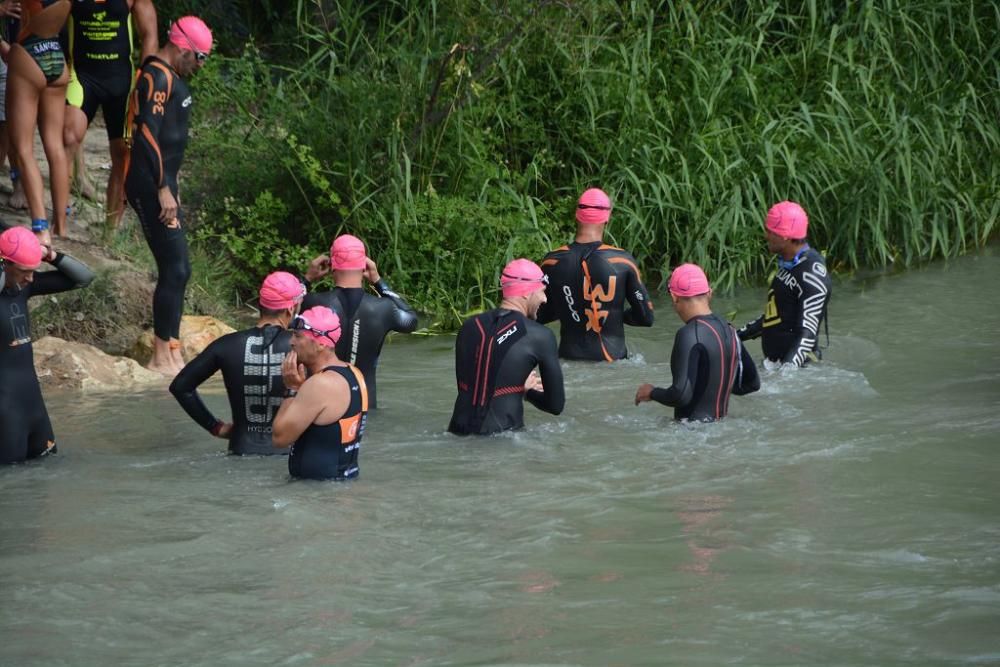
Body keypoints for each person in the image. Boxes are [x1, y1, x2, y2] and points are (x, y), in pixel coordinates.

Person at [124, 15, 211, 376]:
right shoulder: (158, 76)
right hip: (149, 184)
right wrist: (162, 187)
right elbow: (146, 134)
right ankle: (161, 356)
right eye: (199, 57)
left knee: (179, 269)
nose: (200, 66)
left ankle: (172, 350)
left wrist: (170, 185)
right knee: (175, 268)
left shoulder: (168, 76)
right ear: (182, 48)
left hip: (162, 183)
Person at [169, 272, 305, 456]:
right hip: (288, 456)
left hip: (241, 450)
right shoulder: (304, 347)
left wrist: (215, 426)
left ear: (261, 304)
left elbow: (181, 386)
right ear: (291, 309)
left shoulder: (226, 344)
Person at [0, 225, 94, 464]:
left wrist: (49, 255)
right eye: (24, 271)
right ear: (5, 264)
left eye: (33, 271)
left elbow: (84, 278)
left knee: (46, 469)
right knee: (12, 481)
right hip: (5, 411)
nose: (30, 278)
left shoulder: (24, 287)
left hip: (33, 406)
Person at [63, 0, 157, 227]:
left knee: (123, 152)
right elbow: (48, 21)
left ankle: (111, 229)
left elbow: (150, 34)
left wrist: (146, 82)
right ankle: (60, 219)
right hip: (83, 76)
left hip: (120, 82)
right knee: (68, 138)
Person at [448, 258, 565, 435]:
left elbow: (475, 390)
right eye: (542, 291)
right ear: (527, 292)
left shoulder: (469, 327)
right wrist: (525, 390)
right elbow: (555, 405)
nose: (545, 298)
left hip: (456, 433)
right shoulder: (539, 335)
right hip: (502, 440)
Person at [301, 233, 418, 408]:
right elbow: (411, 320)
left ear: (332, 265)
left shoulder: (312, 303)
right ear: (364, 266)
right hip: (364, 405)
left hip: (320, 404)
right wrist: (379, 282)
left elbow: (281, 309)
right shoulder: (382, 308)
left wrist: (307, 278)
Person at [537, 187, 654, 361]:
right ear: (607, 218)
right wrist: (615, 315)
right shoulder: (622, 261)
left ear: (577, 215)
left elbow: (537, 315)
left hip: (567, 360)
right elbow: (646, 317)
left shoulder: (551, 262)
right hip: (613, 363)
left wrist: (567, 309)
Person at [635, 263, 759, 421]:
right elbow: (752, 383)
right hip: (721, 429)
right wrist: (717, 385)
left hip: (691, 435)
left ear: (674, 297)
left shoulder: (689, 334)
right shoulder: (730, 330)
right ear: (709, 293)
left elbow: (680, 395)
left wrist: (651, 392)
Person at [1, 0, 71, 241]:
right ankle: (60, 224)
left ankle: (40, 227)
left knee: (23, 148)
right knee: (55, 145)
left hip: (28, 52)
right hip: (55, 51)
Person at [272, 306, 368, 481]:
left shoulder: (319, 385)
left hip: (314, 495)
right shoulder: (354, 372)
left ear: (321, 343)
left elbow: (280, 439)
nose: (291, 342)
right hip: (345, 481)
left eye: (298, 336)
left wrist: (291, 389)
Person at [737, 200, 832, 368]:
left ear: (785, 236)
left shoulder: (812, 274)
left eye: (770, 231)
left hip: (802, 371)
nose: (766, 236)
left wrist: (785, 375)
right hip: (775, 365)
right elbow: (775, 316)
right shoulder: (788, 265)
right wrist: (735, 336)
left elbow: (807, 334)